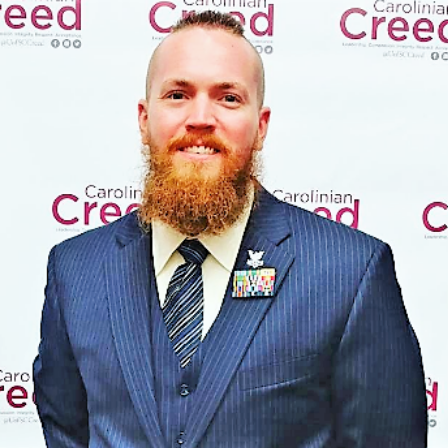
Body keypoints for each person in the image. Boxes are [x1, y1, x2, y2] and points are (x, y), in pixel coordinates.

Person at [33, 10, 427, 448]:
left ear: (260, 127)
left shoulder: (349, 272)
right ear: (144, 120)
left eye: (229, 98)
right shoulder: (75, 270)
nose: (200, 118)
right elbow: (66, 431)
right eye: (178, 94)